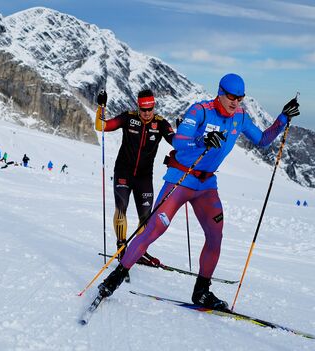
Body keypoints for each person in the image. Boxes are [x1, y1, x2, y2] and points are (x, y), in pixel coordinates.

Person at [97, 73, 300, 311]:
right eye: (232, 97)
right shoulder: (200, 111)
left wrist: (283, 119)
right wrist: (203, 141)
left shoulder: (240, 117)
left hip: (206, 186)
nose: (236, 102)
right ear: (221, 93)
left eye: (240, 98)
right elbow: (180, 141)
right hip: (181, 178)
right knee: (155, 228)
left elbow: (263, 140)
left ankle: (201, 291)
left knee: (216, 236)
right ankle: (116, 277)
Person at [95, 89, 175, 265]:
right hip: (123, 172)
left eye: (150, 109)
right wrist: (101, 107)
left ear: (154, 107)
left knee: (146, 217)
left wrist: (185, 133)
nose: (146, 113)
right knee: (121, 206)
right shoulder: (129, 118)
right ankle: (122, 246)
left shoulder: (160, 123)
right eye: (143, 109)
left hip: (144, 177)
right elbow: (101, 126)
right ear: (138, 107)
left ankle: (139, 249)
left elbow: (176, 141)